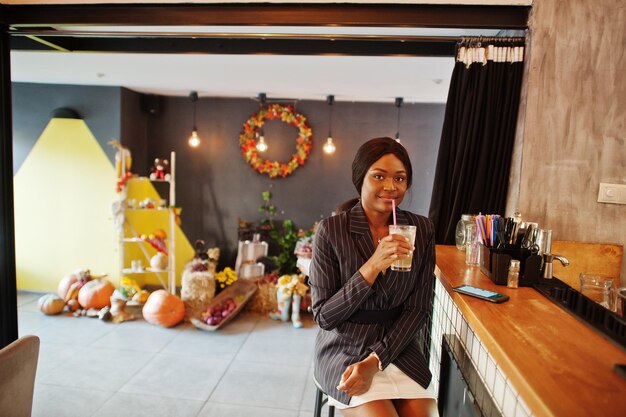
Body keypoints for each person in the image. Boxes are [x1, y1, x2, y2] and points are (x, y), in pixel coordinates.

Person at [309, 137, 438, 417]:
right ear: (361, 178)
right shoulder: (331, 231)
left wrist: (376, 359)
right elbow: (324, 317)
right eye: (379, 176)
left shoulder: (421, 229)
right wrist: (372, 266)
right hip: (344, 347)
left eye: (400, 178)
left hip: (398, 346)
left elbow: (419, 308)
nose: (391, 187)